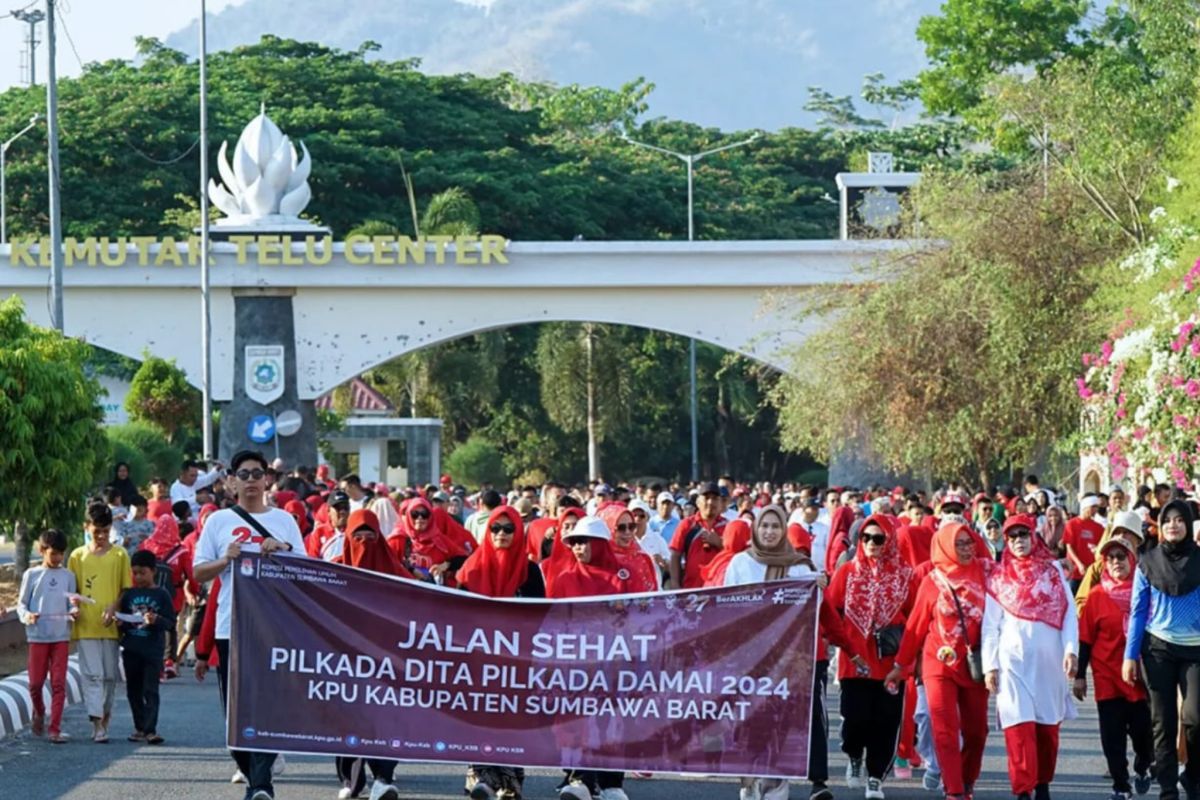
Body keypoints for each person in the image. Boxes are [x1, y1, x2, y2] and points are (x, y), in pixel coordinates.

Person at [193, 449, 307, 800]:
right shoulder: (218, 522)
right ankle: (249, 769)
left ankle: (261, 786)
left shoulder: (284, 521)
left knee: (269, 707)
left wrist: (284, 548)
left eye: (257, 473)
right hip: (232, 628)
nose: (251, 480)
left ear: (267, 479)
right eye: (243, 474)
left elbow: (306, 573)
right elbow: (198, 573)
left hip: (274, 628)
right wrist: (225, 558)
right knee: (235, 714)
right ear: (231, 481)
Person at [725, 505, 845, 800]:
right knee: (751, 720)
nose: (769, 531)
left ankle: (775, 787)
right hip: (750, 659)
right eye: (764, 525)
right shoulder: (740, 563)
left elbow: (810, 613)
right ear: (755, 529)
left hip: (788, 661)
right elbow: (726, 608)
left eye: (775, 526)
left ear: (783, 530)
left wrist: (817, 588)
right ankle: (750, 781)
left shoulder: (800, 567)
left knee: (779, 722)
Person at [887, 523, 991, 800]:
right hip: (938, 664)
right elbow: (915, 627)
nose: (968, 549)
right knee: (943, 729)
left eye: (970, 542)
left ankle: (967, 781)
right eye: (960, 543)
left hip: (974, 665)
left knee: (977, 732)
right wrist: (900, 666)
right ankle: (954, 791)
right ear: (945, 545)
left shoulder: (986, 572)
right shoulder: (932, 581)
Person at [982, 514, 1078, 800]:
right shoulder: (998, 577)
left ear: (1033, 537)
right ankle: (1023, 790)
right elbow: (990, 626)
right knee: (1018, 729)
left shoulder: (1053, 572)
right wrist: (991, 667)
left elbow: (1068, 614)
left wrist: (1071, 650)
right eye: (1012, 537)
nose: (1018, 541)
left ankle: (1043, 785)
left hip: (1050, 666)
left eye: (1023, 535)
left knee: (1047, 731)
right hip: (1013, 666)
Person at [825, 514, 918, 800]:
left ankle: (876, 776)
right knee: (855, 720)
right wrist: (844, 646)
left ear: (889, 540)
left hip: (891, 665)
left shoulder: (905, 575)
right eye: (865, 538)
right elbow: (830, 611)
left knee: (886, 723)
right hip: (855, 662)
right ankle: (854, 756)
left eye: (878, 538)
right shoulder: (848, 572)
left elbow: (915, 618)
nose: (871, 544)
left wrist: (908, 660)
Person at [457, 505, 545, 800]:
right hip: (478, 659)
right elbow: (453, 614)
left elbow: (540, 615)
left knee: (510, 718)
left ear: (518, 533)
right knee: (479, 715)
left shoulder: (530, 571)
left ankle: (509, 781)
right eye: (496, 528)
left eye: (509, 529)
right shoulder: (472, 568)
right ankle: (482, 777)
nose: (502, 534)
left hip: (516, 660)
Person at [1123, 500, 1200, 800]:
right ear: (1160, 524)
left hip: (1196, 651)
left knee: (1195, 717)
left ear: (1189, 524)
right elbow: (1138, 611)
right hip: (1157, 650)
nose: (1174, 525)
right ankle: (1168, 787)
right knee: (1162, 721)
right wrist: (1130, 656)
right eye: (1168, 519)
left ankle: (1192, 774)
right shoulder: (1147, 562)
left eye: (1181, 520)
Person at [548, 516, 629, 800]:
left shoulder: (624, 577)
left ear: (599, 544)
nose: (577, 548)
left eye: (583, 542)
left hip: (615, 662)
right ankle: (580, 779)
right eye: (573, 543)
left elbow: (640, 619)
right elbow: (555, 620)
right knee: (579, 720)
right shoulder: (565, 578)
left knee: (611, 722)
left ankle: (611, 784)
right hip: (578, 665)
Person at [328, 509, 405, 800]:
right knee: (348, 718)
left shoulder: (398, 573)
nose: (363, 543)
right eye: (356, 537)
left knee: (384, 719)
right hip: (345, 660)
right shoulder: (333, 570)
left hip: (388, 662)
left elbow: (426, 606)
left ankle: (383, 777)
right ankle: (351, 779)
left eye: (369, 536)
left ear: (379, 537)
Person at [1075, 538, 1154, 800]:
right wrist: (1079, 676)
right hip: (1106, 675)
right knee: (1113, 738)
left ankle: (1143, 765)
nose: (1116, 562)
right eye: (1110, 558)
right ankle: (1121, 785)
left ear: (1132, 560)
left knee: (1143, 732)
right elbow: (1085, 638)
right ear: (1104, 563)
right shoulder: (1096, 595)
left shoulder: (1145, 590)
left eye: (1121, 556)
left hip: (1138, 677)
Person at [69, 502, 132, 744]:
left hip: (112, 626)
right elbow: (71, 591)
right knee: (92, 675)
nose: (102, 536)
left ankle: (105, 717)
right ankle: (96, 723)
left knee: (108, 676)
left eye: (106, 531)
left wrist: (114, 607)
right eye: (97, 531)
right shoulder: (77, 556)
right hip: (86, 626)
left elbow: (125, 589)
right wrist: (74, 608)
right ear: (87, 528)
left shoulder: (120, 555)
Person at [17, 528, 78, 744]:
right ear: (42, 551)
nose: (58, 558)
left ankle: (55, 728)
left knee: (59, 682)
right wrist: (28, 616)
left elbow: (72, 603)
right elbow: (21, 604)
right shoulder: (31, 575)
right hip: (37, 636)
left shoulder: (68, 576)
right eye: (53, 553)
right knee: (35, 683)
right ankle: (39, 712)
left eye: (61, 554)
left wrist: (74, 611)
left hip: (61, 636)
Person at [119, 549, 177, 745]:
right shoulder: (128, 594)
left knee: (150, 690)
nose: (138, 577)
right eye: (134, 573)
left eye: (142, 573)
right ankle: (139, 727)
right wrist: (121, 623)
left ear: (153, 571)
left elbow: (170, 622)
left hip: (152, 650)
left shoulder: (162, 594)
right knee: (133, 690)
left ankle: (151, 729)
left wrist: (156, 620)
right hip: (131, 649)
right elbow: (125, 619)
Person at [1075, 510, 1146, 614]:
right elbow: (1081, 602)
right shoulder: (1098, 567)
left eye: (1126, 532)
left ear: (1138, 539)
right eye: (1117, 532)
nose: (1121, 536)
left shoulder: (1146, 567)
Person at [670, 482, 728, 589]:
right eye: (706, 498)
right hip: (691, 590)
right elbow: (675, 555)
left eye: (715, 498)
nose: (710, 502)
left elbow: (735, 557)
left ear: (720, 502)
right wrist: (674, 583)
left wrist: (720, 543)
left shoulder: (728, 526)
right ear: (698, 502)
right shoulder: (687, 524)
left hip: (719, 592)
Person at [601, 505, 659, 593]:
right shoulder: (601, 560)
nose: (627, 532)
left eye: (631, 526)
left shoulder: (642, 558)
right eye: (621, 528)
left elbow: (652, 593)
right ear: (609, 529)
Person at [1064, 496, 1105, 594]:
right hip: (1074, 572)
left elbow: (1102, 546)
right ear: (1085, 507)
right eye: (1093, 507)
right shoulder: (1071, 524)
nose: (1095, 510)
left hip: (1090, 572)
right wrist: (1079, 564)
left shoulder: (1098, 527)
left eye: (1096, 507)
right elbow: (1069, 547)